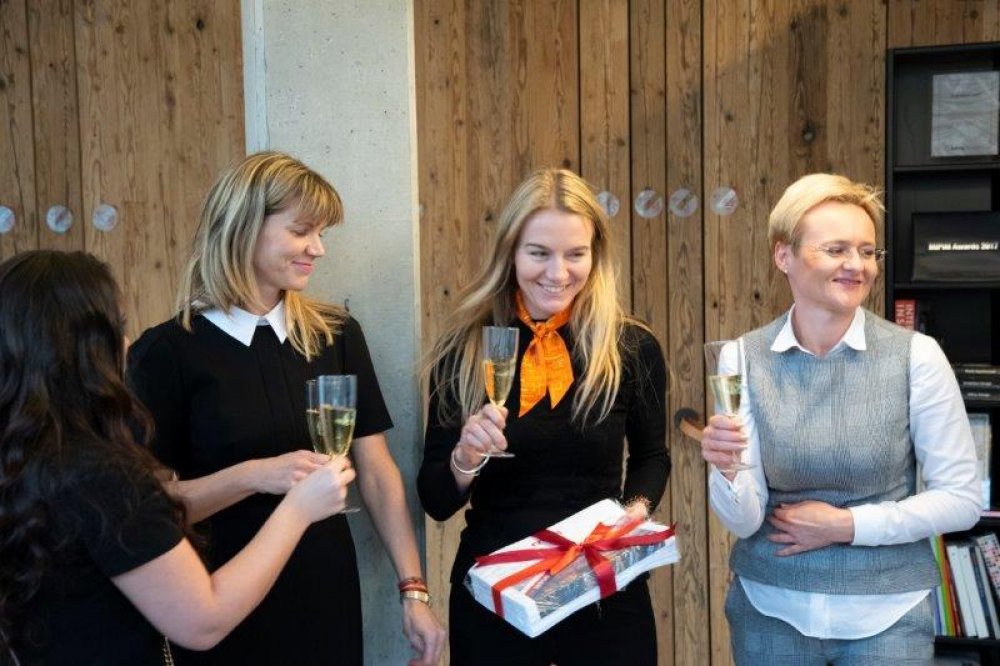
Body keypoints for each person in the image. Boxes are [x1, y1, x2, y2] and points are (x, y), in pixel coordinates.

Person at [127, 152, 445, 665]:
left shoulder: (336, 335)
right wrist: (253, 476)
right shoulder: (165, 353)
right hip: (218, 598)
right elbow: (152, 506)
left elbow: (376, 470)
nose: (318, 248)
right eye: (302, 231)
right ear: (243, 228)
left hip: (326, 591)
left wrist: (414, 591)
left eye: (321, 233)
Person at [0, 250, 355, 665]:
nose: (127, 344)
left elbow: (139, 522)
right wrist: (298, 509)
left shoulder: (28, 455)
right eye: (118, 328)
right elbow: (204, 620)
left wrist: (251, 476)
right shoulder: (99, 473)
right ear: (83, 349)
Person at [700, 173, 980, 664]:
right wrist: (725, 470)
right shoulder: (741, 357)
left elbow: (962, 500)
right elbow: (745, 520)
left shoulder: (917, 356)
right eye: (836, 250)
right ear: (783, 255)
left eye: (867, 251)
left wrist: (846, 525)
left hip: (888, 612)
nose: (857, 265)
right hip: (769, 606)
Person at [418, 168, 670, 665]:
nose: (558, 273)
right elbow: (436, 500)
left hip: (602, 589)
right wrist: (465, 458)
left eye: (576, 254)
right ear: (510, 252)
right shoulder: (463, 351)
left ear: (596, 254)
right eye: (539, 253)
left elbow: (652, 457)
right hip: (496, 595)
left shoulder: (631, 346)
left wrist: (634, 512)